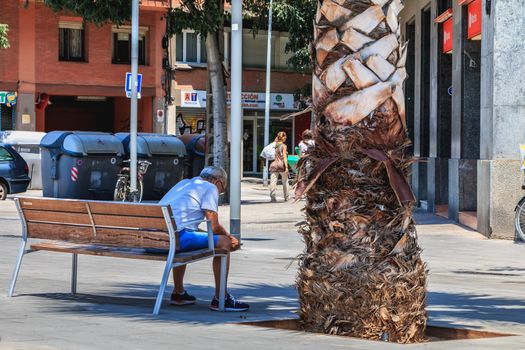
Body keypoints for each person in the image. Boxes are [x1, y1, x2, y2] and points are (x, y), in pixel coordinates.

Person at [159, 166, 249, 312]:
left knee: (185, 234)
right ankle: (221, 298)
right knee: (224, 243)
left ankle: (178, 293)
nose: (219, 193)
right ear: (218, 182)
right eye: (222, 190)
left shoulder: (184, 184)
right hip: (175, 239)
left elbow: (189, 228)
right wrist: (228, 237)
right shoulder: (210, 188)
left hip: (154, 239)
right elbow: (214, 226)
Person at [269, 131, 290, 202]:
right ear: (283, 137)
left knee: (273, 181)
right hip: (281, 165)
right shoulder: (284, 146)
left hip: (273, 164)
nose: (286, 138)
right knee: (285, 181)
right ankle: (286, 197)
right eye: (285, 137)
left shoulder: (273, 145)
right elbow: (284, 157)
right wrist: (286, 167)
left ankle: (272, 198)